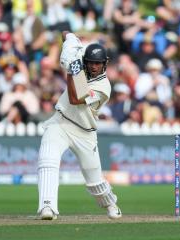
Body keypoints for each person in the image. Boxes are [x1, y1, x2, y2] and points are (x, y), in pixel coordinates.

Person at [37, 32, 122, 220]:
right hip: (60, 122)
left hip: (84, 132)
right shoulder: (80, 60)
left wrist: (71, 70)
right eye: (90, 62)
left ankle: (110, 203)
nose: (93, 66)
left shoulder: (104, 87)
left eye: (97, 63)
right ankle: (47, 207)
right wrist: (70, 40)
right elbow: (65, 34)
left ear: (104, 64)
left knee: (95, 181)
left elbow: (76, 98)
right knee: (47, 159)